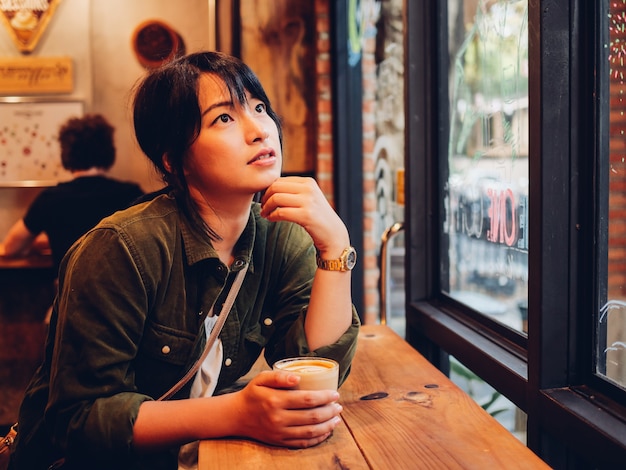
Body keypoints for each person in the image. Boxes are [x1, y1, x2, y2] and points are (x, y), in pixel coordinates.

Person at [9, 51, 360, 470]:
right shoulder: (121, 248)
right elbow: (79, 420)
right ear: (174, 160)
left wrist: (335, 249)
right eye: (224, 118)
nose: (259, 130)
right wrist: (238, 412)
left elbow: (319, 375)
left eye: (259, 108)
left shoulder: (281, 234)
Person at [0, 114, 145, 274]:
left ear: (66, 153)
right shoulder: (131, 194)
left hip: (70, 293)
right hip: (122, 293)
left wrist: (41, 242)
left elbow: (11, 248)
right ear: (109, 151)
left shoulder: (51, 199)